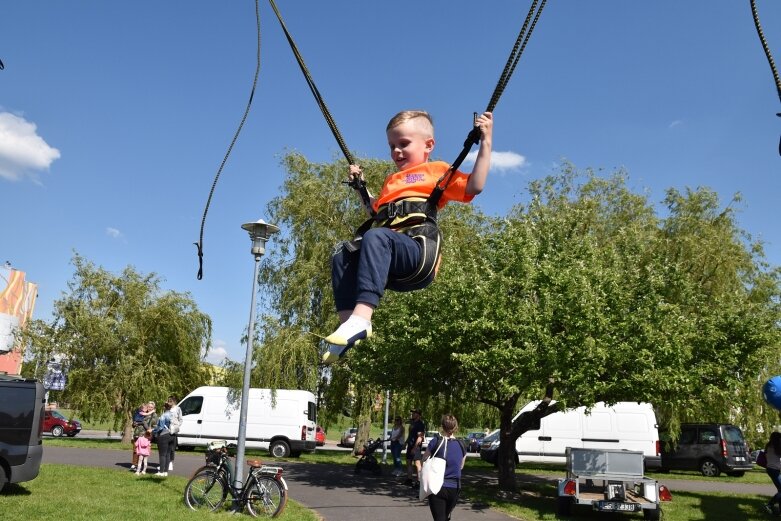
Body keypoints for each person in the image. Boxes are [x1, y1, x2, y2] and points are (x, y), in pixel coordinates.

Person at [322, 110, 493, 363]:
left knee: (376, 237)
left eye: (403, 144)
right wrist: (360, 186)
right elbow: (375, 209)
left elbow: (474, 186)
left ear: (428, 145)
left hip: (418, 251)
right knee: (343, 252)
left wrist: (486, 141)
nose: (396, 152)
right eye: (392, 146)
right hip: (390, 258)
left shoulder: (438, 171)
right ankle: (349, 327)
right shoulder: (391, 181)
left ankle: (362, 318)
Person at [422, 414, 467, 521]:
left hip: (437, 487)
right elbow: (461, 466)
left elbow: (424, 459)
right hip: (454, 488)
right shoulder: (462, 445)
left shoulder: (436, 442)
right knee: (444, 517)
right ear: (456, 427)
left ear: (442, 427)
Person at [405, 408, 426, 486]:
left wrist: (414, 448)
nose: (413, 414)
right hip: (410, 446)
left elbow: (420, 437)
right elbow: (410, 435)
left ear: (419, 415)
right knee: (408, 462)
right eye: (412, 412)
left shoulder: (420, 424)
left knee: (417, 463)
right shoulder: (413, 423)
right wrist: (405, 443)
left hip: (416, 447)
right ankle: (409, 479)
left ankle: (419, 481)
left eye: (415, 413)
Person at [154, 402, 173, 477]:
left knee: (162, 454)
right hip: (172, 435)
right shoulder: (173, 415)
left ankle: (161, 472)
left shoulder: (163, 415)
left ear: (164, 407)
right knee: (168, 454)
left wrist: (153, 430)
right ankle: (166, 471)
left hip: (164, 435)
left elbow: (161, 427)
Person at [765, 431, 781, 515]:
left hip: (770, 469)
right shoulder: (777, 447)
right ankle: (769, 504)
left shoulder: (768, 446)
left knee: (780, 490)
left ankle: (779, 511)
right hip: (774, 470)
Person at [166, 395, 183, 472]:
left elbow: (180, 419)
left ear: (174, 401)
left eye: (170, 401)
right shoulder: (167, 408)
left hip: (174, 430)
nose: (169, 402)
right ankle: (165, 463)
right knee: (166, 448)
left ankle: (171, 463)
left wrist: (177, 426)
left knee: (172, 448)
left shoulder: (178, 409)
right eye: (168, 401)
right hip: (167, 429)